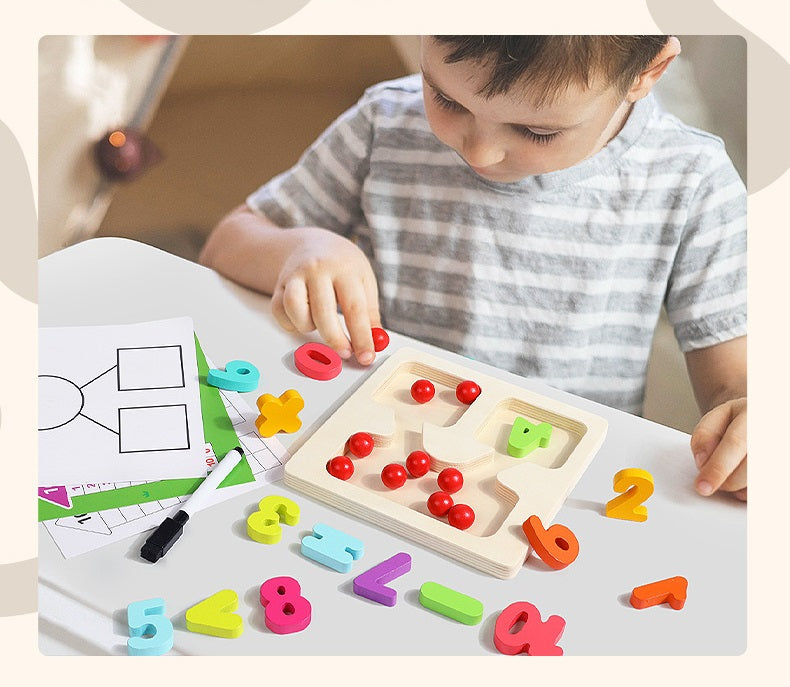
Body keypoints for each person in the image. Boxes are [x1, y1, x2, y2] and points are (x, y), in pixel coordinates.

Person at [200, 36, 746, 501]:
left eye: (536, 132)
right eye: (446, 97)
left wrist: (747, 425)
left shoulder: (691, 179)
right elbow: (227, 243)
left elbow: (734, 383)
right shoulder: (384, 123)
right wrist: (302, 246)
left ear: (648, 72)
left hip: (551, 494)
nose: (480, 151)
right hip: (370, 454)